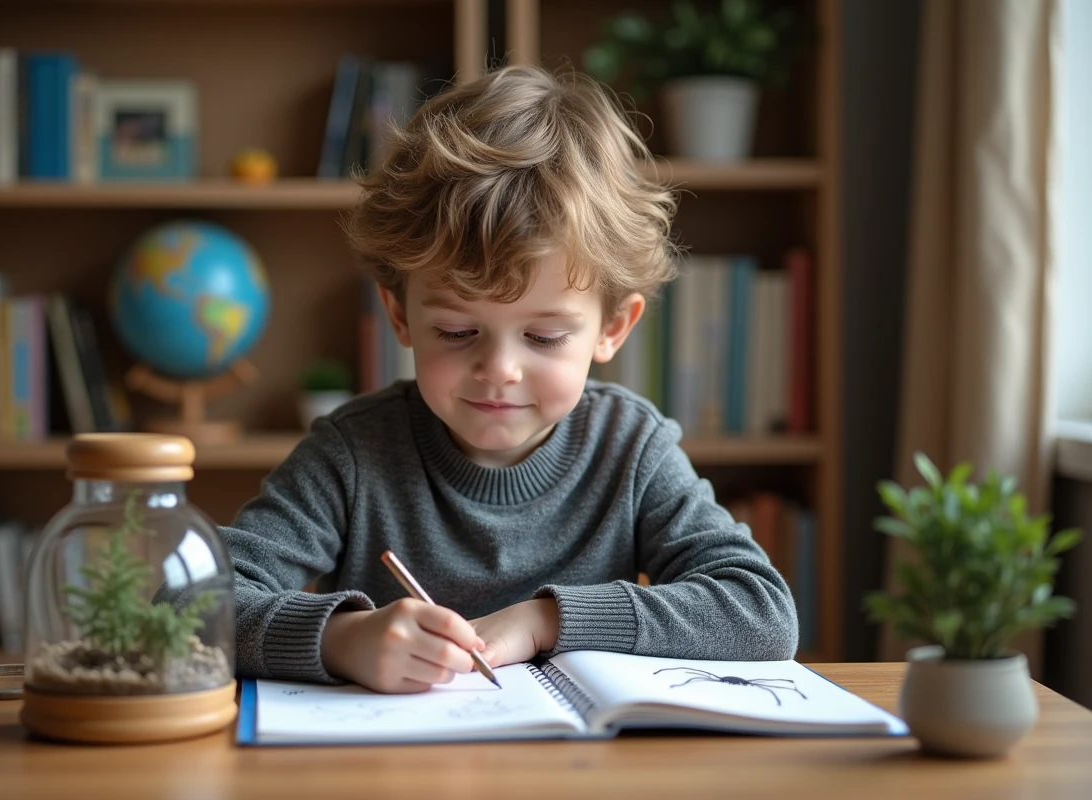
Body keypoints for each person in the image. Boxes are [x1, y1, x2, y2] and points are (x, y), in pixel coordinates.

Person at [221, 65, 798, 694]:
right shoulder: (352, 455)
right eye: (457, 331)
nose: (499, 369)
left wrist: (547, 619)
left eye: (544, 337)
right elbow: (188, 604)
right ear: (399, 315)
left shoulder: (630, 448)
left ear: (613, 326)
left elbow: (759, 612)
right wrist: (339, 639)